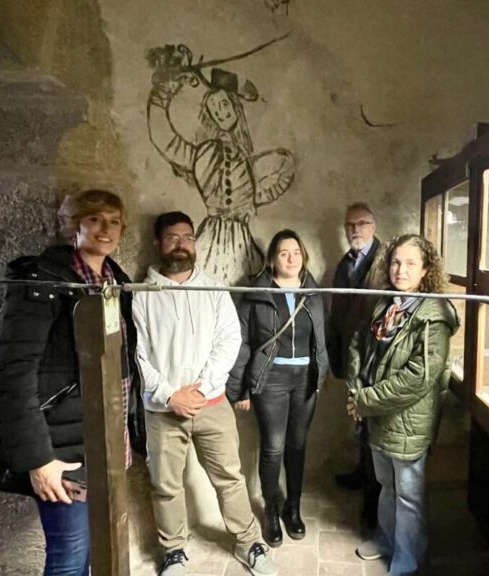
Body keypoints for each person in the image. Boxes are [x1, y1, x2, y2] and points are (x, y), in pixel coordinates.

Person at [0, 189, 140, 576]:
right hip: (63, 449)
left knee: (93, 551)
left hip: (105, 443)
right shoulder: (44, 281)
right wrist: (39, 460)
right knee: (70, 558)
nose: (105, 229)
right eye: (94, 219)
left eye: (114, 221)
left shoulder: (113, 280)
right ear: (74, 225)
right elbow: (12, 374)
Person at [132, 211, 276, 576]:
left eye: (187, 237)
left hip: (211, 404)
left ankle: (248, 542)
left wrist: (200, 389)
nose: (181, 244)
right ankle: (173, 551)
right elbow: (138, 353)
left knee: (229, 478)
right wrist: (169, 395)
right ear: (158, 244)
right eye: (172, 237)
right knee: (166, 486)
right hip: (162, 409)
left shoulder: (214, 289)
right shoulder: (142, 295)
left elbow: (229, 341)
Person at [347, 234, 460, 576]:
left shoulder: (434, 316)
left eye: (411, 263)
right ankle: (386, 541)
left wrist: (364, 400)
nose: (401, 270)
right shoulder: (386, 303)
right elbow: (358, 343)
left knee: (409, 496)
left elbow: (417, 378)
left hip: (408, 421)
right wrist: (356, 389)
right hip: (377, 417)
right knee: (387, 486)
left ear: (426, 270)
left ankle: (407, 561)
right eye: (396, 262)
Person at [147, 64, 295, 285]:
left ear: (236, 106)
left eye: (224, 104)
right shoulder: (204, 153)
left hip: (241, 237)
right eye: (213, 108)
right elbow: (167, 141)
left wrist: (257, 198)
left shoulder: (246, 159)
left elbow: (282, 169)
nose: (220, 112)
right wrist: (161, 97)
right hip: (213, 235)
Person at [227, 230, 329, 547]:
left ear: (304, 256)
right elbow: (243, 342)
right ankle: (271, 509)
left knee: (297, 445)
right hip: (271, 378)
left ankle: (292, 508)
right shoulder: (256, 294)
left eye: (296, 252)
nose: (291, 258)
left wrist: (323, 372)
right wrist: (239, 389)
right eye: (283, 252)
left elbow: (322, 337)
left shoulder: (314, 293)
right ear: (272, 259)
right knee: (273, 447)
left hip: (305, 379)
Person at [329, 202, 384, 527]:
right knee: (359, 422)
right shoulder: (344, 263)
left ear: (373, 227)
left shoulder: (384, 261)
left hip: (374, 356)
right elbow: (339, 314)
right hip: (353, 358)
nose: (355, 229)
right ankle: (362, 474)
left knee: (373, 428)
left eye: (362, 223)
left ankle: (373, 500)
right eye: (350, 224)